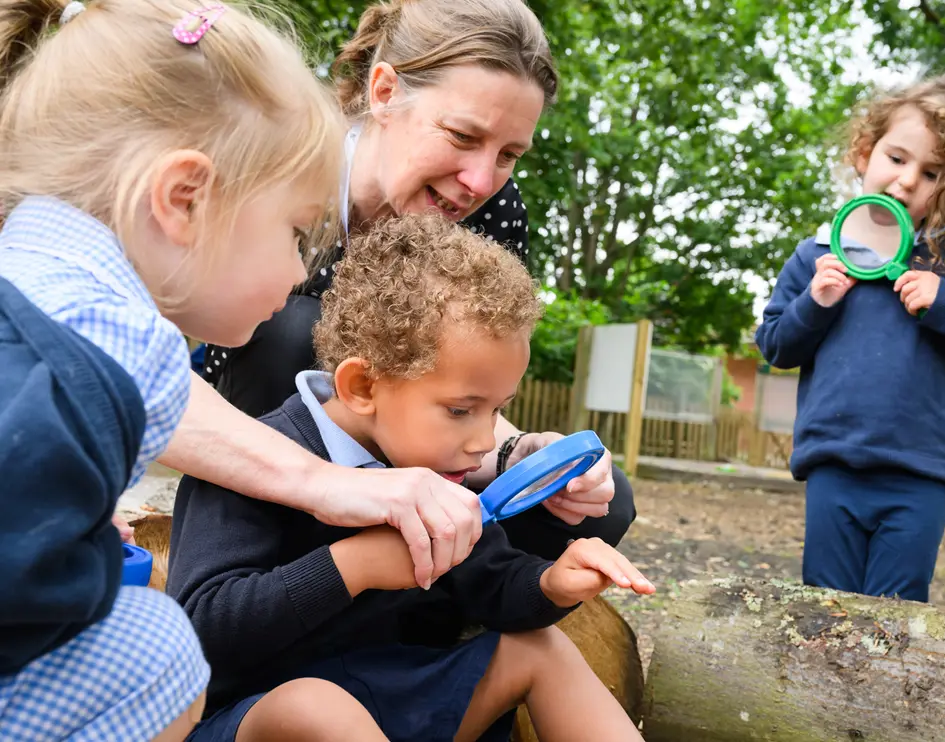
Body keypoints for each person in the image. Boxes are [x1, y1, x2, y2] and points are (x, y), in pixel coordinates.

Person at [173, 0, 637, 573]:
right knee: (292, 329)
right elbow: (132, 360)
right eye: (462, 135)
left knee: (600, 503)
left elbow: (464, 380)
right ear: (384, 91)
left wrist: (517, 453)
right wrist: (331, 484)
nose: (480, 182)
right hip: (275, 424)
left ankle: (438, 591)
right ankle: (281, 570)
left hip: (414, 439)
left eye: (509, 155)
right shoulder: (283, 165)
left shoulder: (496, 212)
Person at [168, 215, 654, 742]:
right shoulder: (249, 462)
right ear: (363, 387)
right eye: (461, 410)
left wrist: (552, 584)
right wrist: (355, 566)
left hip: (394, 698)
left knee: (540, 649)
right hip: (262, 713)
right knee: (314, 707)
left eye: (497, 410)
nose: (485, 441)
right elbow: (203, 631)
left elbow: (492, 582)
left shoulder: (436, 473)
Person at [0, 0, 347, 736]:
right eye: (295, 232)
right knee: (165, 650)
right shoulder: (130, 349)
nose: (300, 272)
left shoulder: (23, 271)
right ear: (184, 200)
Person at [754, 74, 945, 603]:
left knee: (898, 620)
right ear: (864, 153)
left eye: (932, 173)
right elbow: (774, 345)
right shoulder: (816, 255)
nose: (908, 180)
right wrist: (814, 303)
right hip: (833, 467)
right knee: (828, 612)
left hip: (919, 478)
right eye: (896, 158)